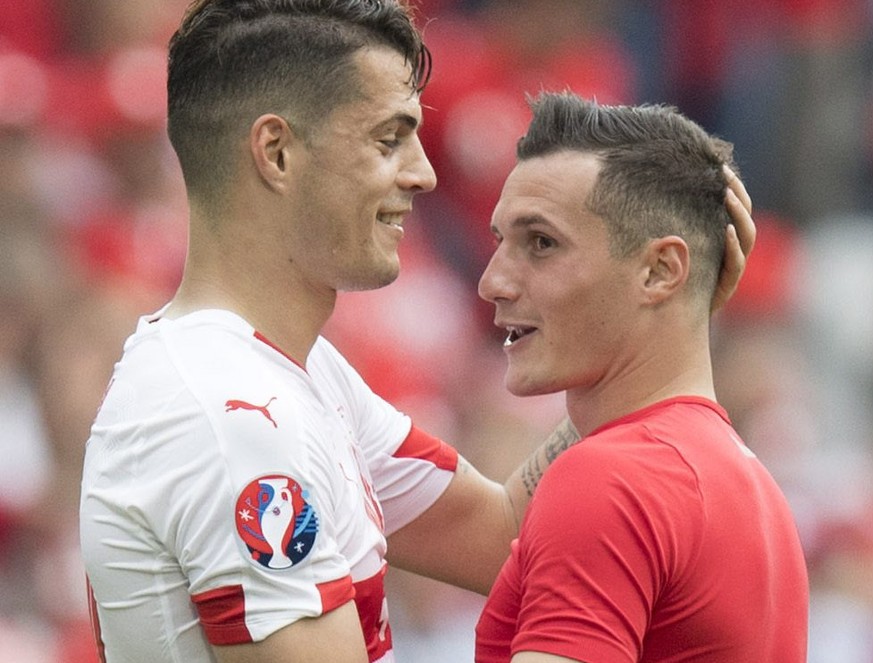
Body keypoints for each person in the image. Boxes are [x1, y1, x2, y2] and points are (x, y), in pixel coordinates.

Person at [78, 2, 755, 662]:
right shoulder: (233, 417)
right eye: (388, 138)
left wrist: (654, 324)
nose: (422, 174)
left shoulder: (296, 377)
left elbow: (501, 533)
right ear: (277, 153)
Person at [474, 92, 808, 662]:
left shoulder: (610, 479)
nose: (492, 283)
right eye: (499, 242)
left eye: (541, 243)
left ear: (660, 270)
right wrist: (685, 318)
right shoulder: (749, 485)